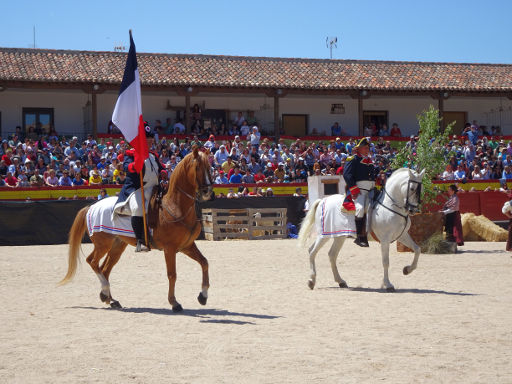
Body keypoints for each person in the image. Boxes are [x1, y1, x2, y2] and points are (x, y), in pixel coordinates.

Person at [112, 127, 163, 252]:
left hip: (155, 188)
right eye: (148, 140)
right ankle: (141, 240)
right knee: (139, 209)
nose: (151, 142)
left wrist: (164, 172)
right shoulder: (131, 153)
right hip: (137, 188)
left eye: (151, 140)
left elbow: (161, 168)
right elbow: (126, 167)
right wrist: (136, 165)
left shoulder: (153, 155)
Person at [342, 137, 376, 247]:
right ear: (359, 149)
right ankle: (360, 237)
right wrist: (354, 189)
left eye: (368, 148)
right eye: (365, 148)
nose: (367, 149)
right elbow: (347, 175)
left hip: (371, 189)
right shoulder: (352, 159)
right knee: (360, 209)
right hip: (359, 191)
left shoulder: (370, 161)